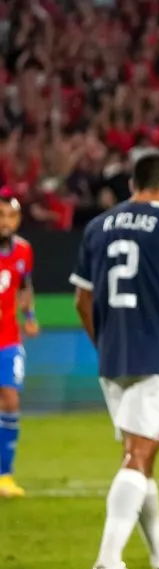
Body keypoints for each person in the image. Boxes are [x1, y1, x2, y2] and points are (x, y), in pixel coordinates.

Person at [69, 153, 159, 569]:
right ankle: (108, 561)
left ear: (134, 183)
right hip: (154, 357)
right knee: (139, 455)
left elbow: (82, 300)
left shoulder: (97, 227)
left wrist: (105, 344)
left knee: (138, 454)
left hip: (112, 358)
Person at [0, 189, 38, 498]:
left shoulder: (24, 251)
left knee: (11, 400)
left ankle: (5, 475)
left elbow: (24, 286)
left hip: (8, 338)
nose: (5, 222)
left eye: (11, 216)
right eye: (1, 216)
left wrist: (30, 315)